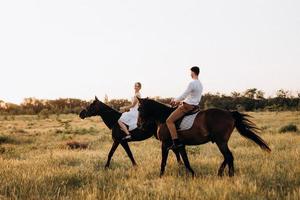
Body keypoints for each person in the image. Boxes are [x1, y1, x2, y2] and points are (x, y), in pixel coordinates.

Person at [166, 66, 203, 150]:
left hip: (187, 106)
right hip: (195, 106)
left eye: (190, 72)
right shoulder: (200, 84)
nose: (190, 74)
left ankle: (175, 143)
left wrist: (175, 100)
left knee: (169, 121)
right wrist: (179, 102)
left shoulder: (192, 83)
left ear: (193, 72)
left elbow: (184, 94)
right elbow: (192, 97)